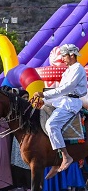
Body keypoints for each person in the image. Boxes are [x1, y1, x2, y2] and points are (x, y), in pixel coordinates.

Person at [34, 43, 86, 179]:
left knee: (51, 125)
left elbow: (66, 89)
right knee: (40, 109)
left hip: (71, 103)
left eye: (64, 56)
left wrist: (44, 94)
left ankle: (65, 156)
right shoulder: (68, 70)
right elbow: (61, 91)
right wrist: (42, 99)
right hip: (62, 100)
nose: (63, 59)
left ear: (72, 55)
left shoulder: (78, 69)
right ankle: (55, 161)